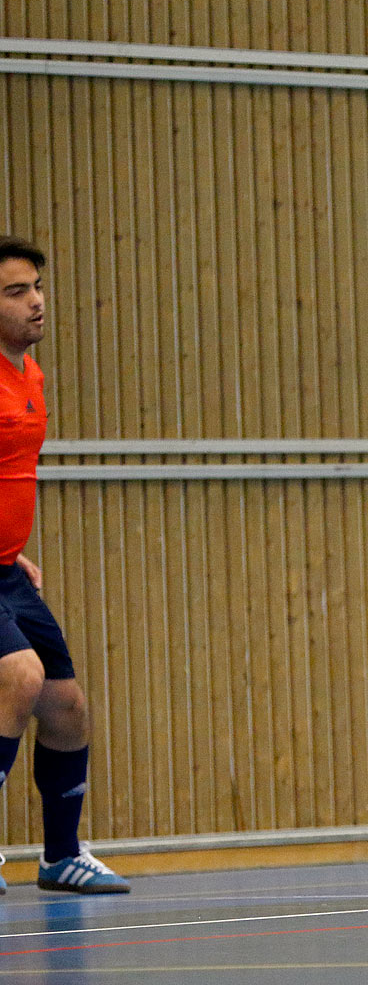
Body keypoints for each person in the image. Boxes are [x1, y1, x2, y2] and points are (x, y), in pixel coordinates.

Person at [0, 236, 129, 894]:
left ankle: (59, 855)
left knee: (65, 706)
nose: (36, 301)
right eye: (16, 291)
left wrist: (11, 547)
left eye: (37, 286)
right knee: (19, 677)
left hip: (4, 571)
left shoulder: (28, 372)